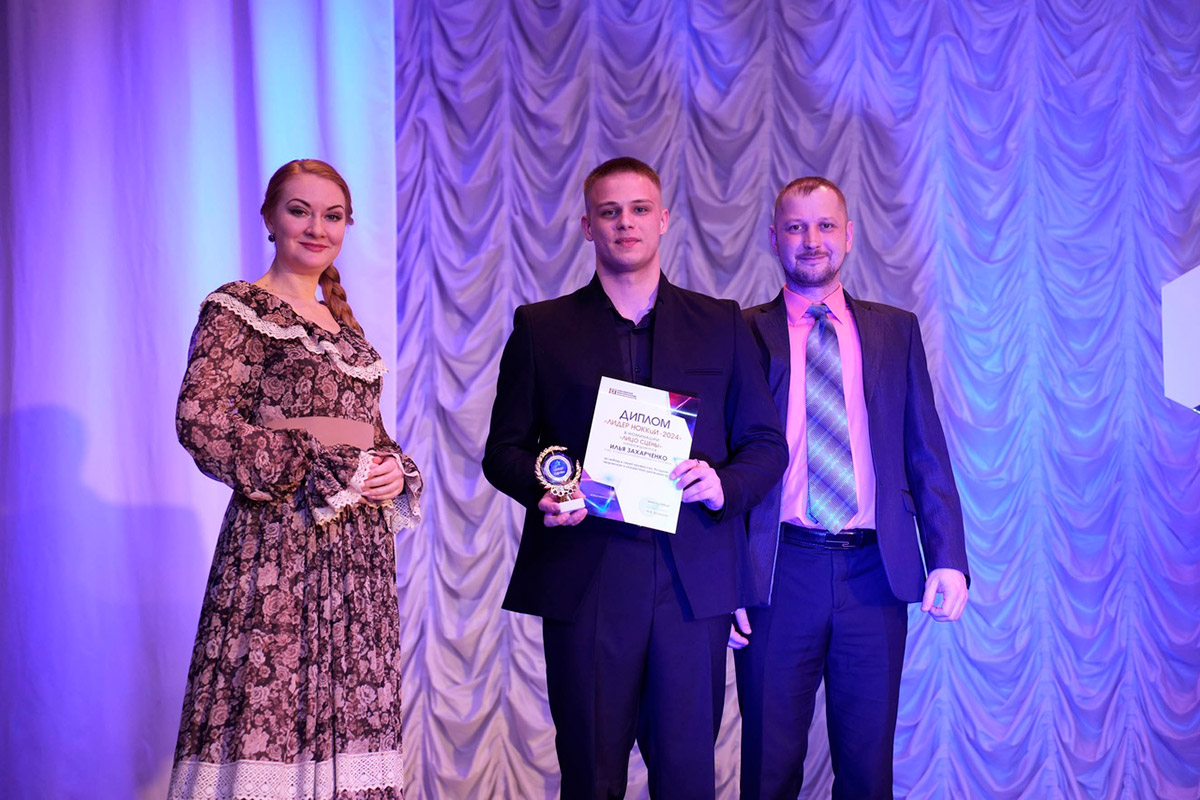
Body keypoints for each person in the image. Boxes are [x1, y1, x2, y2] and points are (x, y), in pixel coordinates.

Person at [483, 157, 787, 799]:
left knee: (687, 780)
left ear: (664, 219)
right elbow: (503, 450)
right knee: (591, 779)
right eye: (610, 212)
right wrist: (550, 491)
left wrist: (723, 485)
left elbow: (765, 446)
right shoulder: (542, 327)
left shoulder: (722, 323)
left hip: (691, 581)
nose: (626, 222)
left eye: (640, 209)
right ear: (588, 226)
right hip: (588, 574)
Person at [169, 159, 422, 800]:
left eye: (332, 216)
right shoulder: (238, 309)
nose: (317, 228)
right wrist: (313, 463)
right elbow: (202, 421)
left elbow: (369, 434)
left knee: (349, 712)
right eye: (300, 211)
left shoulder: (349, 332)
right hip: (279, 542)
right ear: (270, 218)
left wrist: (393, 470)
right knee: (269, 703)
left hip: (357, 559)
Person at [731, 176, 970, 799]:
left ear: (849, 235)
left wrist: (948, 558)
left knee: (867, 774)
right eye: (795, 227)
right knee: (768, 769)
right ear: (774, 238)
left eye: (825, 226)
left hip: (875, 575)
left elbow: (925, 450)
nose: (811, 240)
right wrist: (724, 581)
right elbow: (725, 463)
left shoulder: (896, 330)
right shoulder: (740, 333)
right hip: (776, 573)